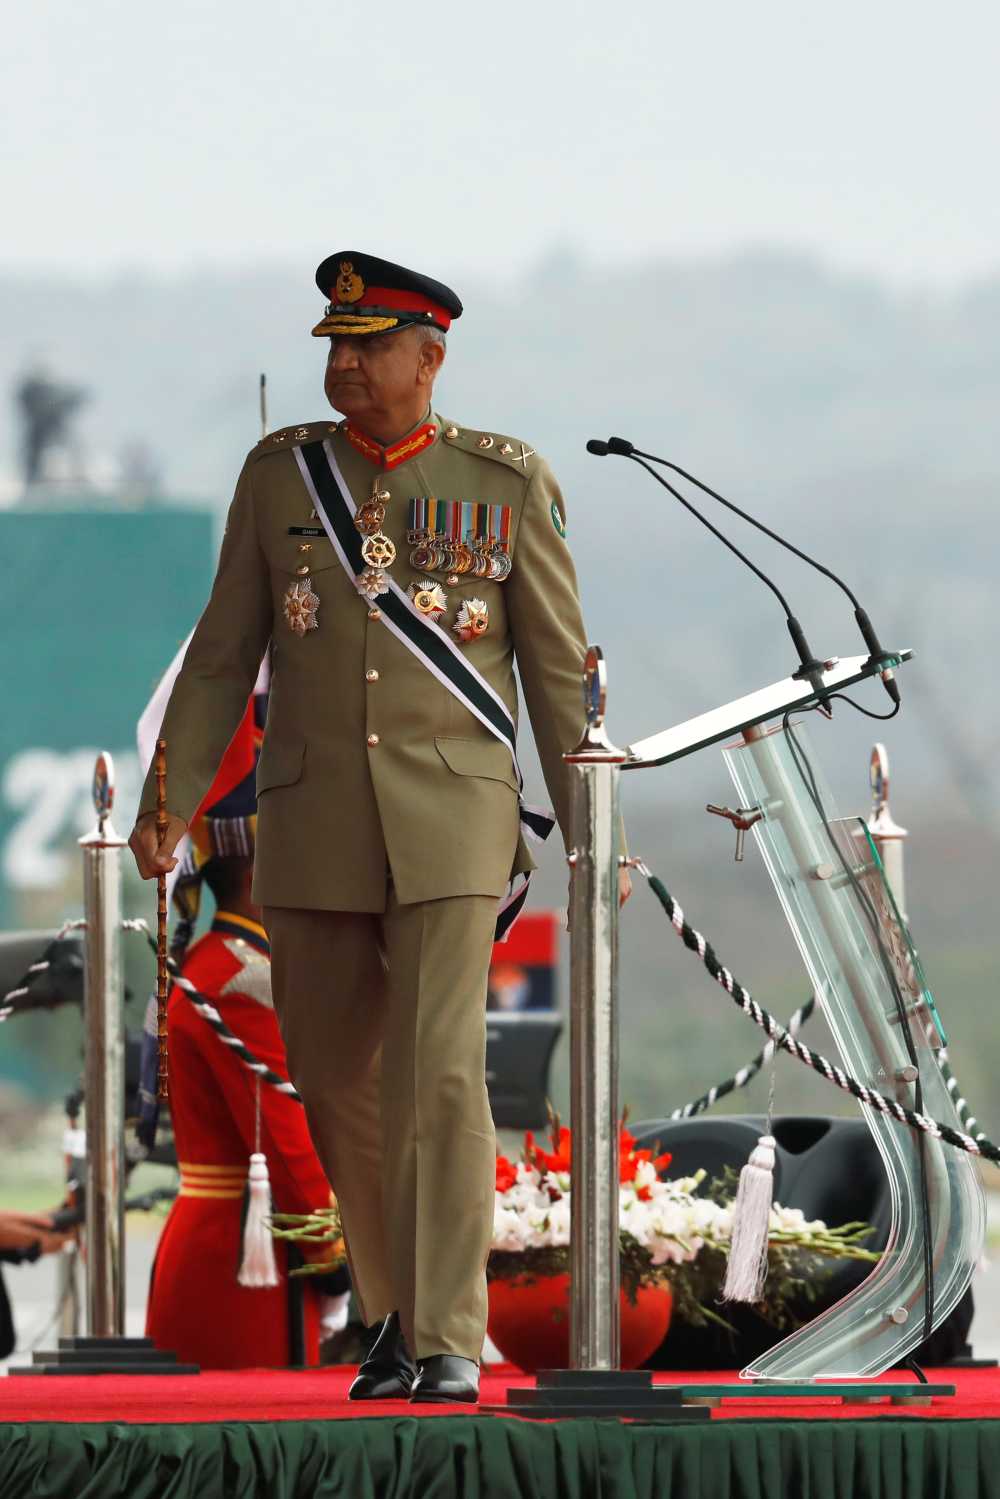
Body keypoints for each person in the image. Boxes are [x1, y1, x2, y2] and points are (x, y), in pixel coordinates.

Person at [130, 249, 629, 1404]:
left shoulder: (503, 483)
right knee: (332, 1071)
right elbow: (220, 659)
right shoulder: (279, 477)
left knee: (440, 1071)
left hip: (455, 819)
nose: (345, 365)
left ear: (430, 356)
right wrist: (169, 805)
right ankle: (399, 1305)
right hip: (310, 826)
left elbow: (558, 675)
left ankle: (450, 1330)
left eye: (367, 346)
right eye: (335, 347)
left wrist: (596, 830)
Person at [144, 696, 349, 1370]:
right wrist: (338, 1257)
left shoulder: (230, 963)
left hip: (231, 1251)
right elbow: (290, 1147)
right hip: (246, 1272)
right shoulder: (242, 979)